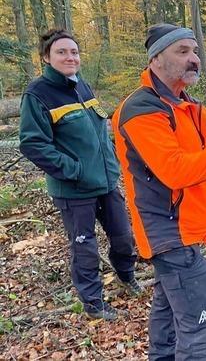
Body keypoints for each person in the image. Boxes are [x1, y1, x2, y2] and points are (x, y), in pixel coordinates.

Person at [112, 23, 206, 360]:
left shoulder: (185, 106)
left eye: (194, 51)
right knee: (201, 331)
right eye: (182, 51)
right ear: (156, 60)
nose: (194, 59)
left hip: (179, 230)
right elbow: (176, 170)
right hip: (168, 233)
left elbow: (198, 167)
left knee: (167, 322)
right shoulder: (141, 110)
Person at [19, 29, 139, 321]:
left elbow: (99, 133)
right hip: (73, 190)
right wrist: (74, 171)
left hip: (107, 182)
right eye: (62, 52)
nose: (70, 57)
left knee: (123, 236)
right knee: (84, 246)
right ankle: (94, 303)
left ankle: (126, 276)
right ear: (47, 57)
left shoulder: (82, 86)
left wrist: (114, 159)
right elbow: (33, 144)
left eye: (74, 52)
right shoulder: (37, 94)